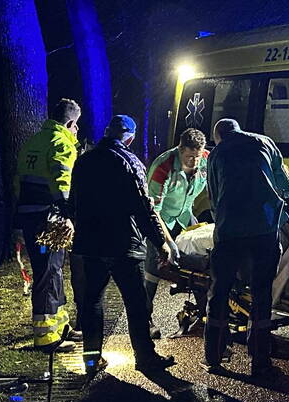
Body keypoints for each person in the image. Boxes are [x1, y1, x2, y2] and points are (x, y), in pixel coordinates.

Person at [64, 114, 176, 377]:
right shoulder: (130, 162)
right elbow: (143, 207)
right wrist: (160, 241)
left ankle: (91, 360)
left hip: (91, 245)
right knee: (135, 303)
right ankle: (145, 357)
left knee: (92, 302)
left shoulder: (84, 161)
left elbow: (73, 203)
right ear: (129, 138)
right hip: (123, 243)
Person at [205, 118, 289, 377]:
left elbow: (214, 196)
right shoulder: (266, 143)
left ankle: (214, 356)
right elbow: (286, 189)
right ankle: (260, 361)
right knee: (261, 294)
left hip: (229, 231)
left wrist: (220, 227)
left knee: (219, 292)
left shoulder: (217, 153)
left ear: (219, 136)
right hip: (264, 230)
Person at [14, 98, 81, 353]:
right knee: (48, 272)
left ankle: (61, 326)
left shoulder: (33, 142)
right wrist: (67, 215)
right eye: (77, 126)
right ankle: (46, 338)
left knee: (52, 270)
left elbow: (18, 183)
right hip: (49, 218)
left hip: (30, 217)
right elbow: (63, 182)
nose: (77, 131)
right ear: (71, 122)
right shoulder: (61, 142)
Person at [144, 128, 210, 337]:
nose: (193, 162)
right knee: (153, 266)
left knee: (199, 258)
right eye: (189, 157)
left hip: (184, 214)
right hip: (160, 218)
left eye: (197, 157)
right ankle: (145, 318)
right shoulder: (162, 167)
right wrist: (168, 242)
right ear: (180, 150)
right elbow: (154, 211)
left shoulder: (206, 160)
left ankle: (203, 314)